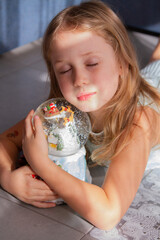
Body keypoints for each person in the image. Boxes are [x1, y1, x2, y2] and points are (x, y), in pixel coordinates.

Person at [0, 0, 160, 230]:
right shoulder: (61, 112)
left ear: (123, 64)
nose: (79, 80)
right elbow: (5, 140)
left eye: (92, 63)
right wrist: (7, 179)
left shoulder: (138, 122)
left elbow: (108, 214)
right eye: (65, 69)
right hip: (143, 79)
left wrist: (42, 165)